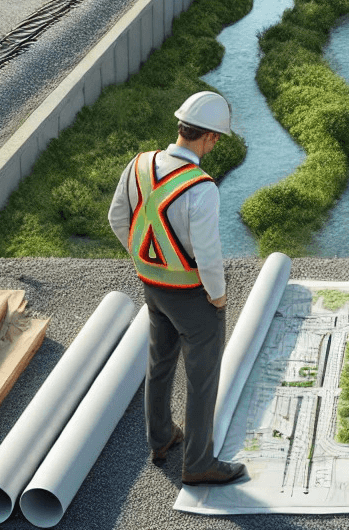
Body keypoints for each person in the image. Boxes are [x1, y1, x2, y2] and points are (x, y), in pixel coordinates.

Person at [108, 91, 247, 486]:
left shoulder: (138, 165)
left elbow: (117, 218)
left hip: (153, 286)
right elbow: (208, 254)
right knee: (202, 377)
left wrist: (145, 261)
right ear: (211, 138)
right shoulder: (201, 188)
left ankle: (161, 437)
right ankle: (199, 462)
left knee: (160, 361)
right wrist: (218, 297)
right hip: (191, 296)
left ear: (181, 127)